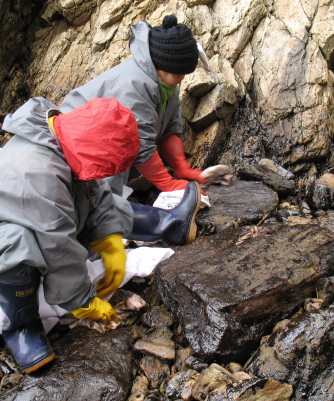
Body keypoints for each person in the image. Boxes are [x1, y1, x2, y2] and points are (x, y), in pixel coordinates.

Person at [0, 96, 202, 374]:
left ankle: (171, 225)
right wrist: (83, 302)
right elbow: (58, 249)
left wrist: (110, 242)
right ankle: (23, 328)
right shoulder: (36, 176)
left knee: (95, 195)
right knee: (14, 241)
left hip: (32, 228)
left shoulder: (63, 133)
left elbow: (97, 193)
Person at [61, 15, 231, 243]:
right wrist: (169, 186)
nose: (181, 81)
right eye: (179, 74)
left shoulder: (164, 82)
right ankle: (101, 234)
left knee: (114, 181)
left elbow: (169, 129)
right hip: (77, 146)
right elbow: (140, 143)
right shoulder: (135, 85)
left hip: (108, 144)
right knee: (100, 200)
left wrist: (183, 170)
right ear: (162, 66)